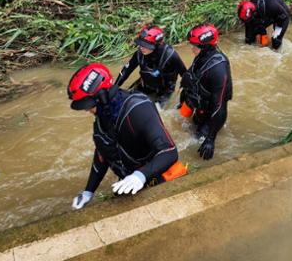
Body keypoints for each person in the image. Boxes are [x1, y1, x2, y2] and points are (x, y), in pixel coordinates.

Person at [68, 62, 179, 210]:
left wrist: (140, 176)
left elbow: (169, 152)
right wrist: (88, 191)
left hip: (155, 177)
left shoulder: (139, 108)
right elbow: (103, 153)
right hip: (129, 182)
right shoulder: (103, 117)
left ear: (102, 97)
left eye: (88, 105)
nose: (86, 110)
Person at [179, 23, 233, 161]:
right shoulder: (202, 56)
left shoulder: (218, 69)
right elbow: (192, 76)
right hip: (199, 107)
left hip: (211, 115)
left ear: (206, 46)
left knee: (195, 143)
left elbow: (220, 106)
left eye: (195, 45)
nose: (192, 47)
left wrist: (211, 139)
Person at [115, 25, 187, 107]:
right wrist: (114, 87)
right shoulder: (139, 54)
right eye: (140, 43)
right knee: (126, 102)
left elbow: (185, 75)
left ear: (156, 45)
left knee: (158, 111)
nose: (141, 47)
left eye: (145, 45)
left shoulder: (170, 55)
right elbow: (126, 70)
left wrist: (184, 96)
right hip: (145, 86)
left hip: (164, 91)